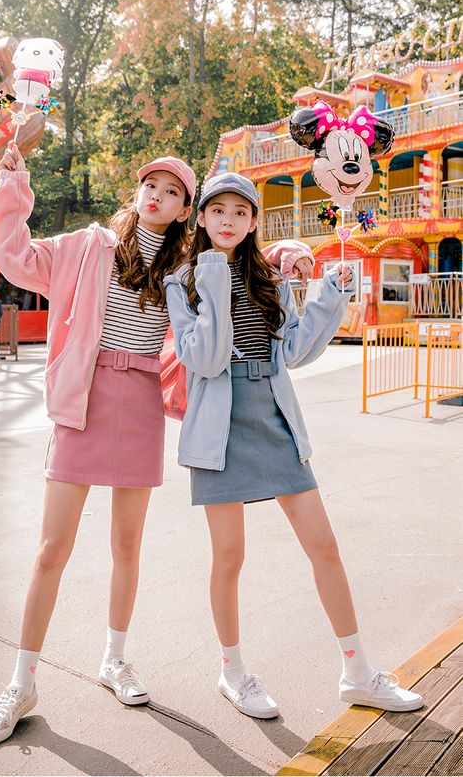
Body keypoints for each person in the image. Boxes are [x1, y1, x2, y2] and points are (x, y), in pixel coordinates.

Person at [0, 143, 312, 745]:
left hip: (141, 403)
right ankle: (21, 681)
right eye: (151, 184)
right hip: (83, 399)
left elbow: (242, 255)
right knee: (52, 548)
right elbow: (15, 254)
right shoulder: (88, 246)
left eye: (174, 191)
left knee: (127, 545)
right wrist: (15, 182)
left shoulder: (187, 265)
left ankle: (114, 659)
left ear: (186, 210)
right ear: (137, 192)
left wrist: (291, 253)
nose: (158, 194)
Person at [164, 172, 423, 719]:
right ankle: (233, 672)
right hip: (218, 427)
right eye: (218, 210)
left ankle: (357, 672)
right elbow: (206, 360)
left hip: (274, 415)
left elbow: (295, 351)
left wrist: (330, 295)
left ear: (254, 221)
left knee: (323, 545)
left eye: (240, 212)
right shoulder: (182, 280)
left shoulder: (269, 278)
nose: (228, 220)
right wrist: (213, 277)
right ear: (201, 217)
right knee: (229, 557)